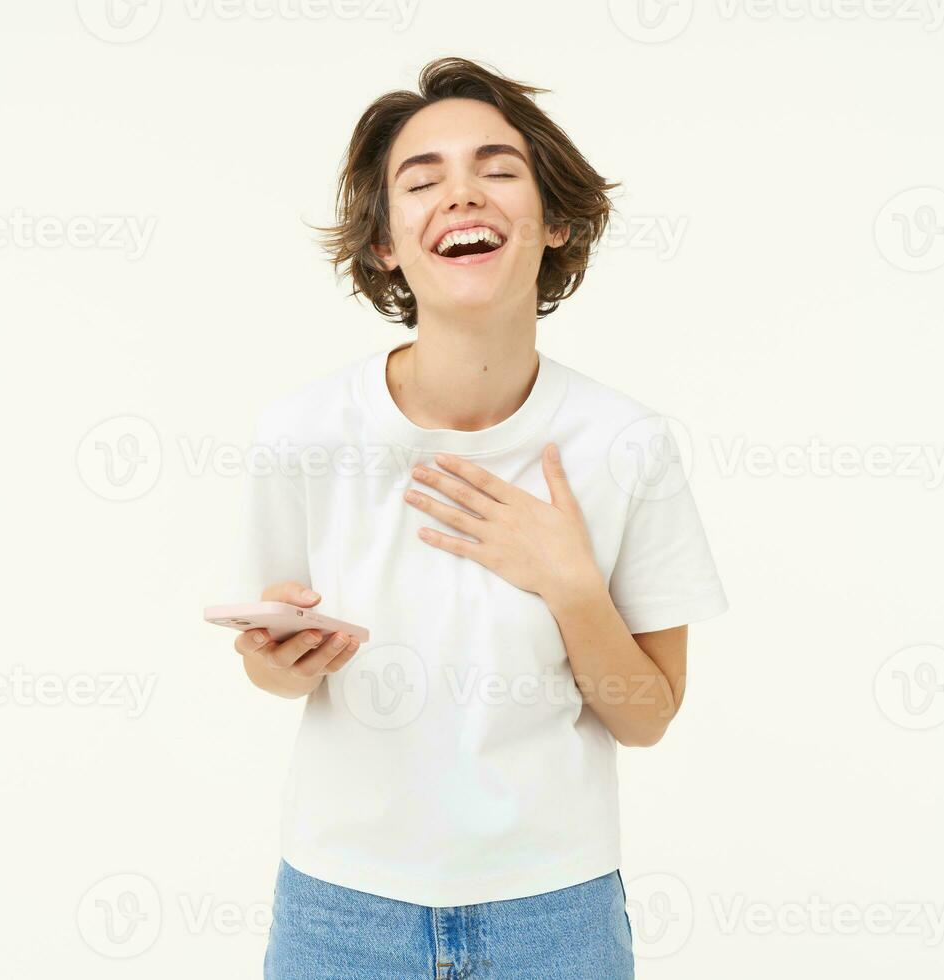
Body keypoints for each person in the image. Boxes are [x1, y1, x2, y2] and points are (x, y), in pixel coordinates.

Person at [231, 56, 729, 979]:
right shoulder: (301, 433)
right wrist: (279, 662)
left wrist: (572, 585)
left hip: (556, 916)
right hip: (340, 913)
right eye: (422, 181)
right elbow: (277, 679)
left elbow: (647, 716)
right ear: (386, 243)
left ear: (557, 220)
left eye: (498, 170)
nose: (461, 195)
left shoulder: (625, 443)